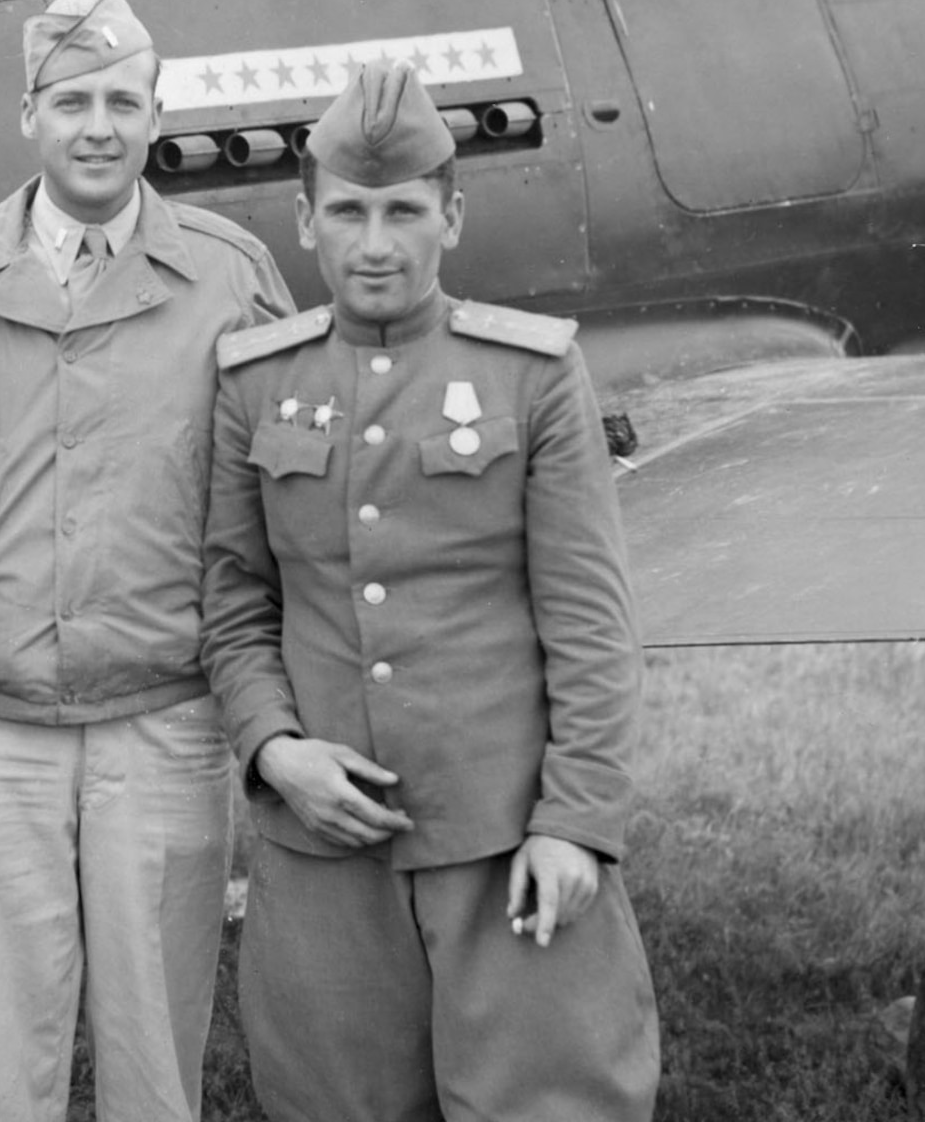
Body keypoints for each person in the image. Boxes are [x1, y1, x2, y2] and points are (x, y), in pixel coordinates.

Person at [201, 60, 659, 1121]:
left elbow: (590, 623)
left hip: (499, 834)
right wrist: (274, 752)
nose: (374, 241)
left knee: (549, 1102)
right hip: (322, 846)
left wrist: (576, 822)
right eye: (348, 211)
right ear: (301, 219)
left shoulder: (530, 374)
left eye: (402, 210)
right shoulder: (253, 381)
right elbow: (231, 604)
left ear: (450, 217)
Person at [0, 0, 294, 1122]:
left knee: (154, 1055)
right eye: (70, 100)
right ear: (26, 113)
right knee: (6, 1055)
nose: (96, 125)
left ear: (154, 115)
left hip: (160, 712)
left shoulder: (226, 271)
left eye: (123, 100)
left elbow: (279, 469)